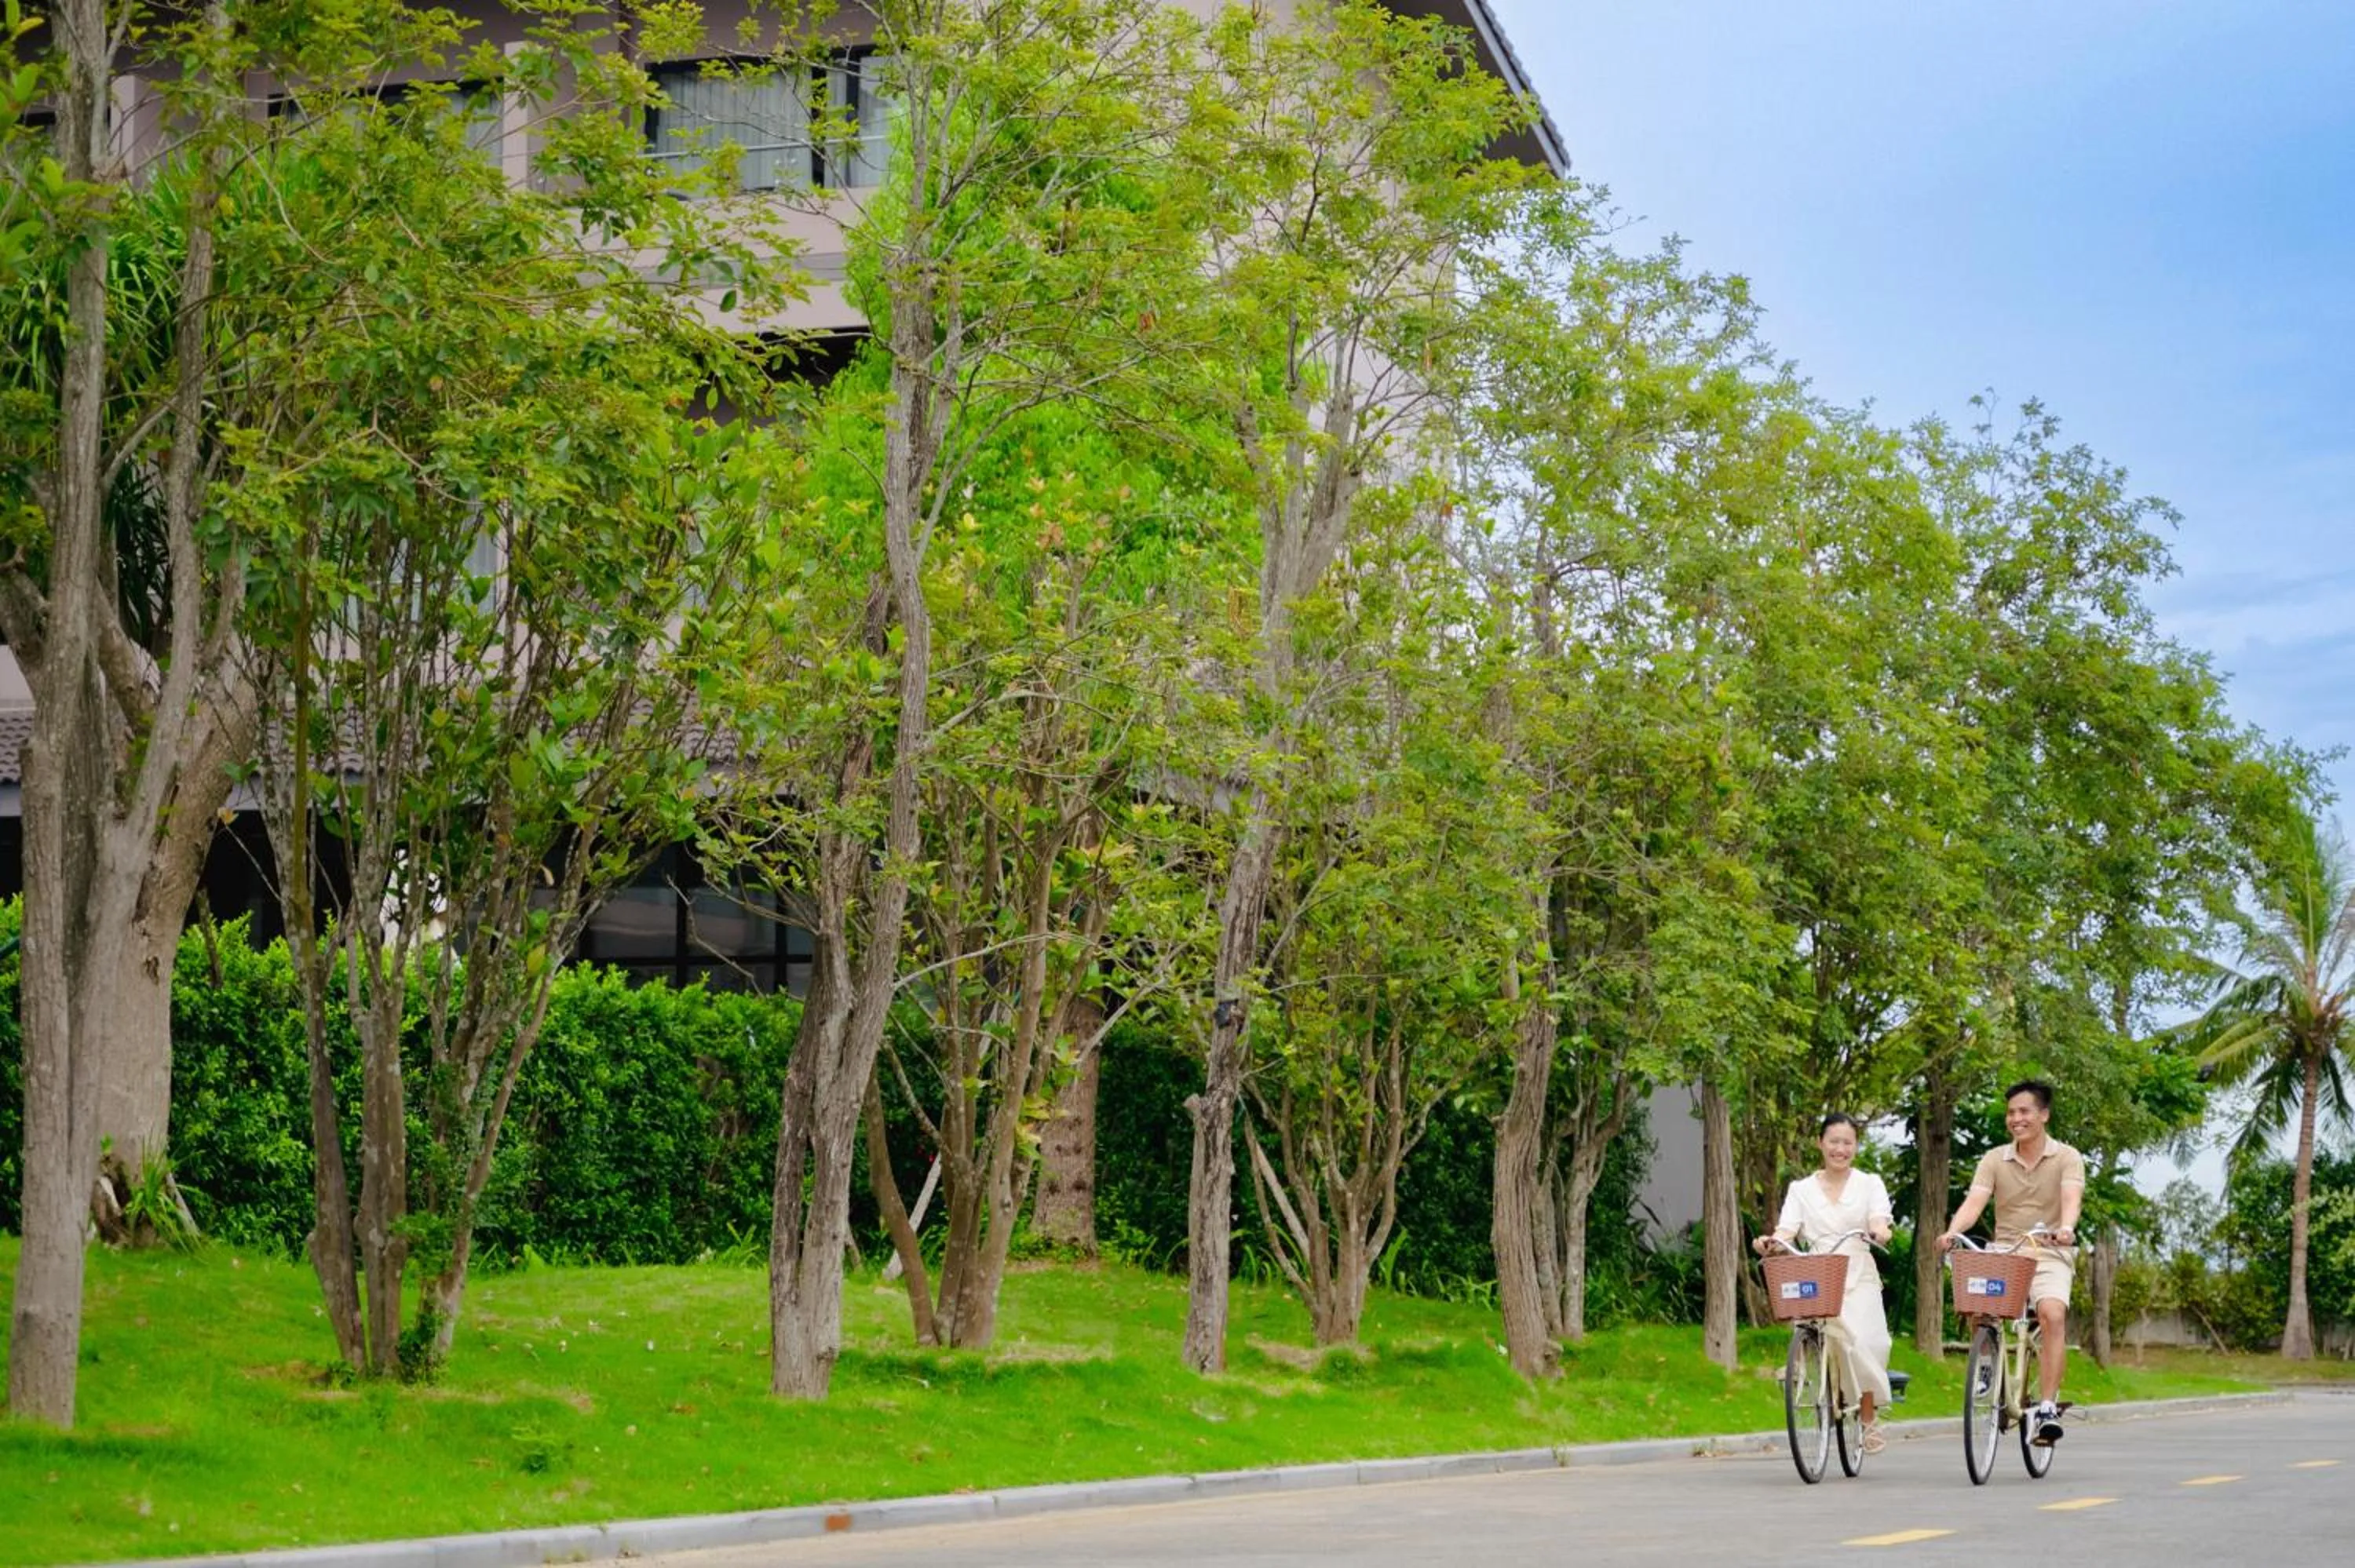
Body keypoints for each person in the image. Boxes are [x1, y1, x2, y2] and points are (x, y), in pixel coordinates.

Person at [1937, 1078, 2083, 1446]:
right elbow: (1975, 1201)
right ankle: (1986, 1364)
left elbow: (2071, 1198)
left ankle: (2047, 1407)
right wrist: (1953, 1231)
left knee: (2051, 1313)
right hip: (2006, 1249)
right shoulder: (1995, 1159)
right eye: (2011, 1113)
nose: (2016, 1119)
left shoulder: (2067, 1157)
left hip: (2050, 1250)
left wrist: (2065, 1228)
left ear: (2044, 1115)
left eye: (2024, 1112)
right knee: (1979, 1304)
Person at [1754, 1112, 1895, 1452]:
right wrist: (1771, 1243)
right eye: (1834, 1142)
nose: (1840, 1149)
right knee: (1822, 1329)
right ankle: (1812, 1376)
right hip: (1818, 1271)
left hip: (1858, 1268)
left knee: (1866, 1343)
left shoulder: (1869, 1183)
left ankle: (1867, 1417)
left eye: (1847, 1143)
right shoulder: (1801, 1189)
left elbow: (1880, 1221)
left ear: (1856, 1147)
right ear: (1820, 1143)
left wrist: (1880, 1232)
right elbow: (1787, 1230)